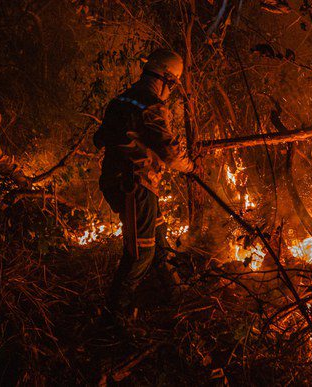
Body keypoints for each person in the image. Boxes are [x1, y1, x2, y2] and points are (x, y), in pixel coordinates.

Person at [94, 49, 193, 311]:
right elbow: (170, 154)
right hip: (134, 186)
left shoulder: (121, 100)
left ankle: (176, 299)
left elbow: (100, 138)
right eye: (173, 85)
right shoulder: (152, 105)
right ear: (169, 80)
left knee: (158, 236)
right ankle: (116, 315)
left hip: (121, 182)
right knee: (141, 253)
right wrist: (191, 166)